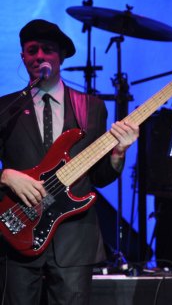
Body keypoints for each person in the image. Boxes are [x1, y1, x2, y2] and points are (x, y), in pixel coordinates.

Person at [0, 19, 139, 304]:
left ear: (60, 57)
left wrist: (118, 153)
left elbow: (99, 177)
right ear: (23, 57)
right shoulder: (6, 108)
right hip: (18, 231)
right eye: (32, 49)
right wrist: (5, 176)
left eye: (48, 49)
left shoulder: (91, 107)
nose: (39, 56)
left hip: (74, 238)